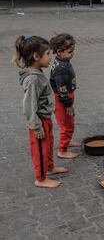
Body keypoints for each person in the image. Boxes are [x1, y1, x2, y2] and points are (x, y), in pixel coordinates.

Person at [13, 35, 68, 188]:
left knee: (49, 145)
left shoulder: (37, 72)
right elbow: (29, 105)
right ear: (36, 57)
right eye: (48, 54)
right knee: (40, 150)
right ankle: (41, 178)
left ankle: (50, 168)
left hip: (45, 118)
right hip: (38, 122)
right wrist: (36, 127)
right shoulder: (33, 79)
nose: (51, 57)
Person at [50, 34, 79, 159]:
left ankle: (68, 141)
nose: (72, 54)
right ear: (59, 52)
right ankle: (62, 150)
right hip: (63, 100)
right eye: (70, 52)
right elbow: (61, 89)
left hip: (66, 96)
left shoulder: (63, 61)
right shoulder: (61, 68)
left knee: (69, 122)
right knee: (66, 125)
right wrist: (68, 104)